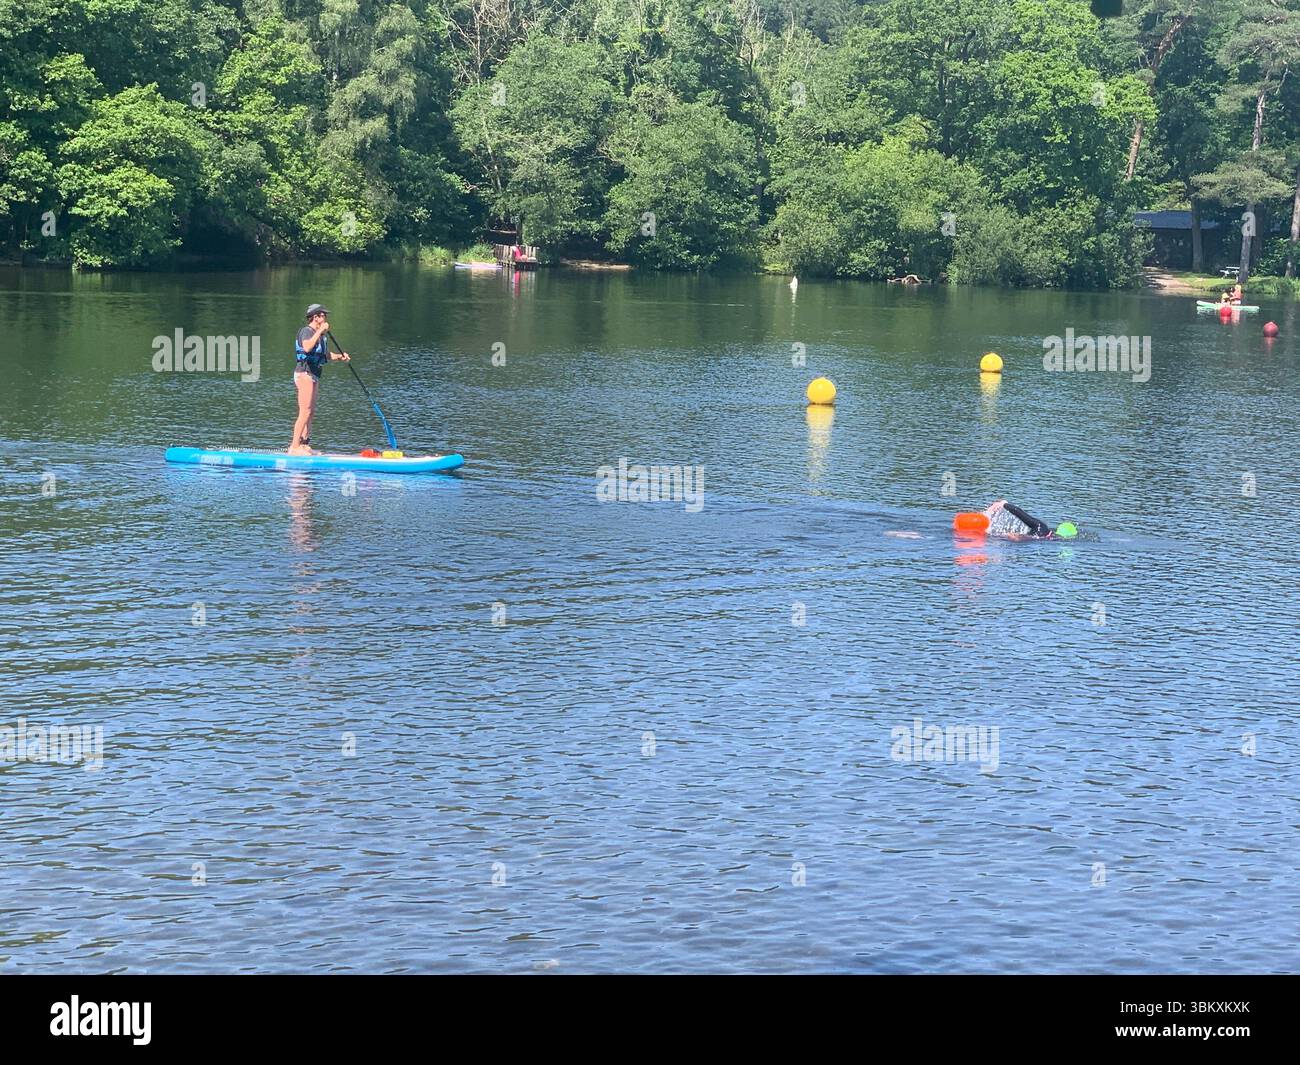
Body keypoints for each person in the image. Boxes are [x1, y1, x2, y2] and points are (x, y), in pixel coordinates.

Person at [291, 303, 349, 454]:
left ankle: (304, 444)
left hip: (314, 375)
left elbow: (325, 355)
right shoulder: (306, 331)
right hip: (304, 373)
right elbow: (307, 348)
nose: (326, 318)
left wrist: (340, 357)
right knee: (304, 411)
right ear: (315, 317)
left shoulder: (321, 337)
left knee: (311, 412)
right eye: (323, 315)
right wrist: (321, 331)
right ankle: (294, 447)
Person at [984, 500, 1077, 540]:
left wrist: (1004, 505)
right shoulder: (1053, 540)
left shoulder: (1041, 527)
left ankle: (1004, 504)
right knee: (1011, 536)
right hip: (1036, 539)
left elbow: (1021, 514)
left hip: (1037, 535)